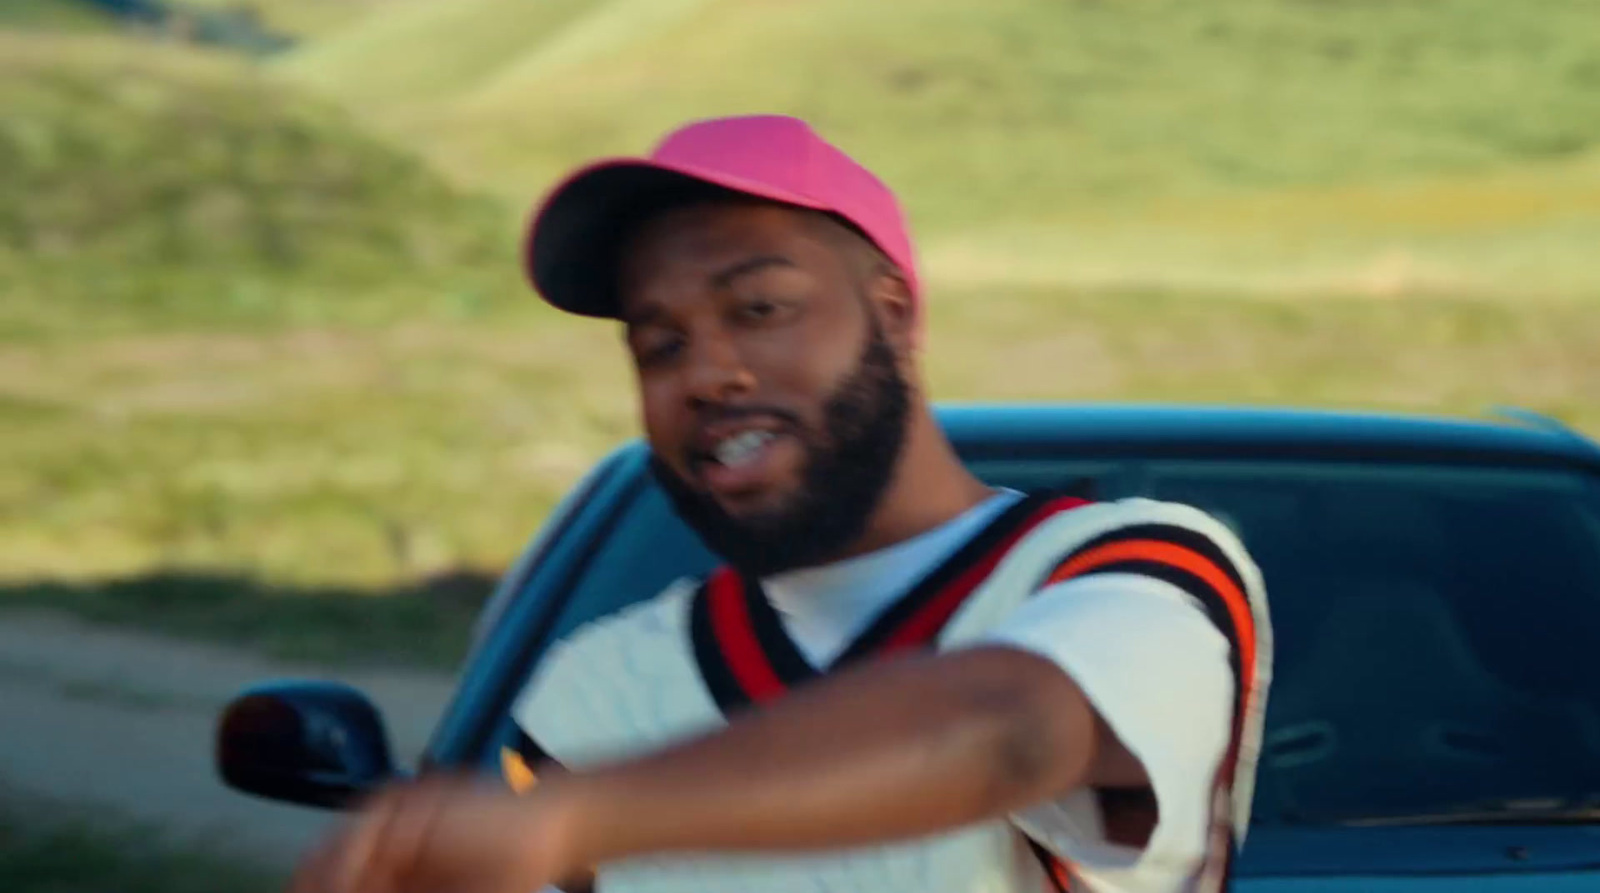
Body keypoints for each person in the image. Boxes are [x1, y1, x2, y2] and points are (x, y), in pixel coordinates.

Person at [287, 114, 1273, 893]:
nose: (709, 371)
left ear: (892, 313)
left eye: (758, 307)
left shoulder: (1132, 572)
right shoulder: (596, 686)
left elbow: (1010, 727)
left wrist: (573, 818)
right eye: (658, 342)